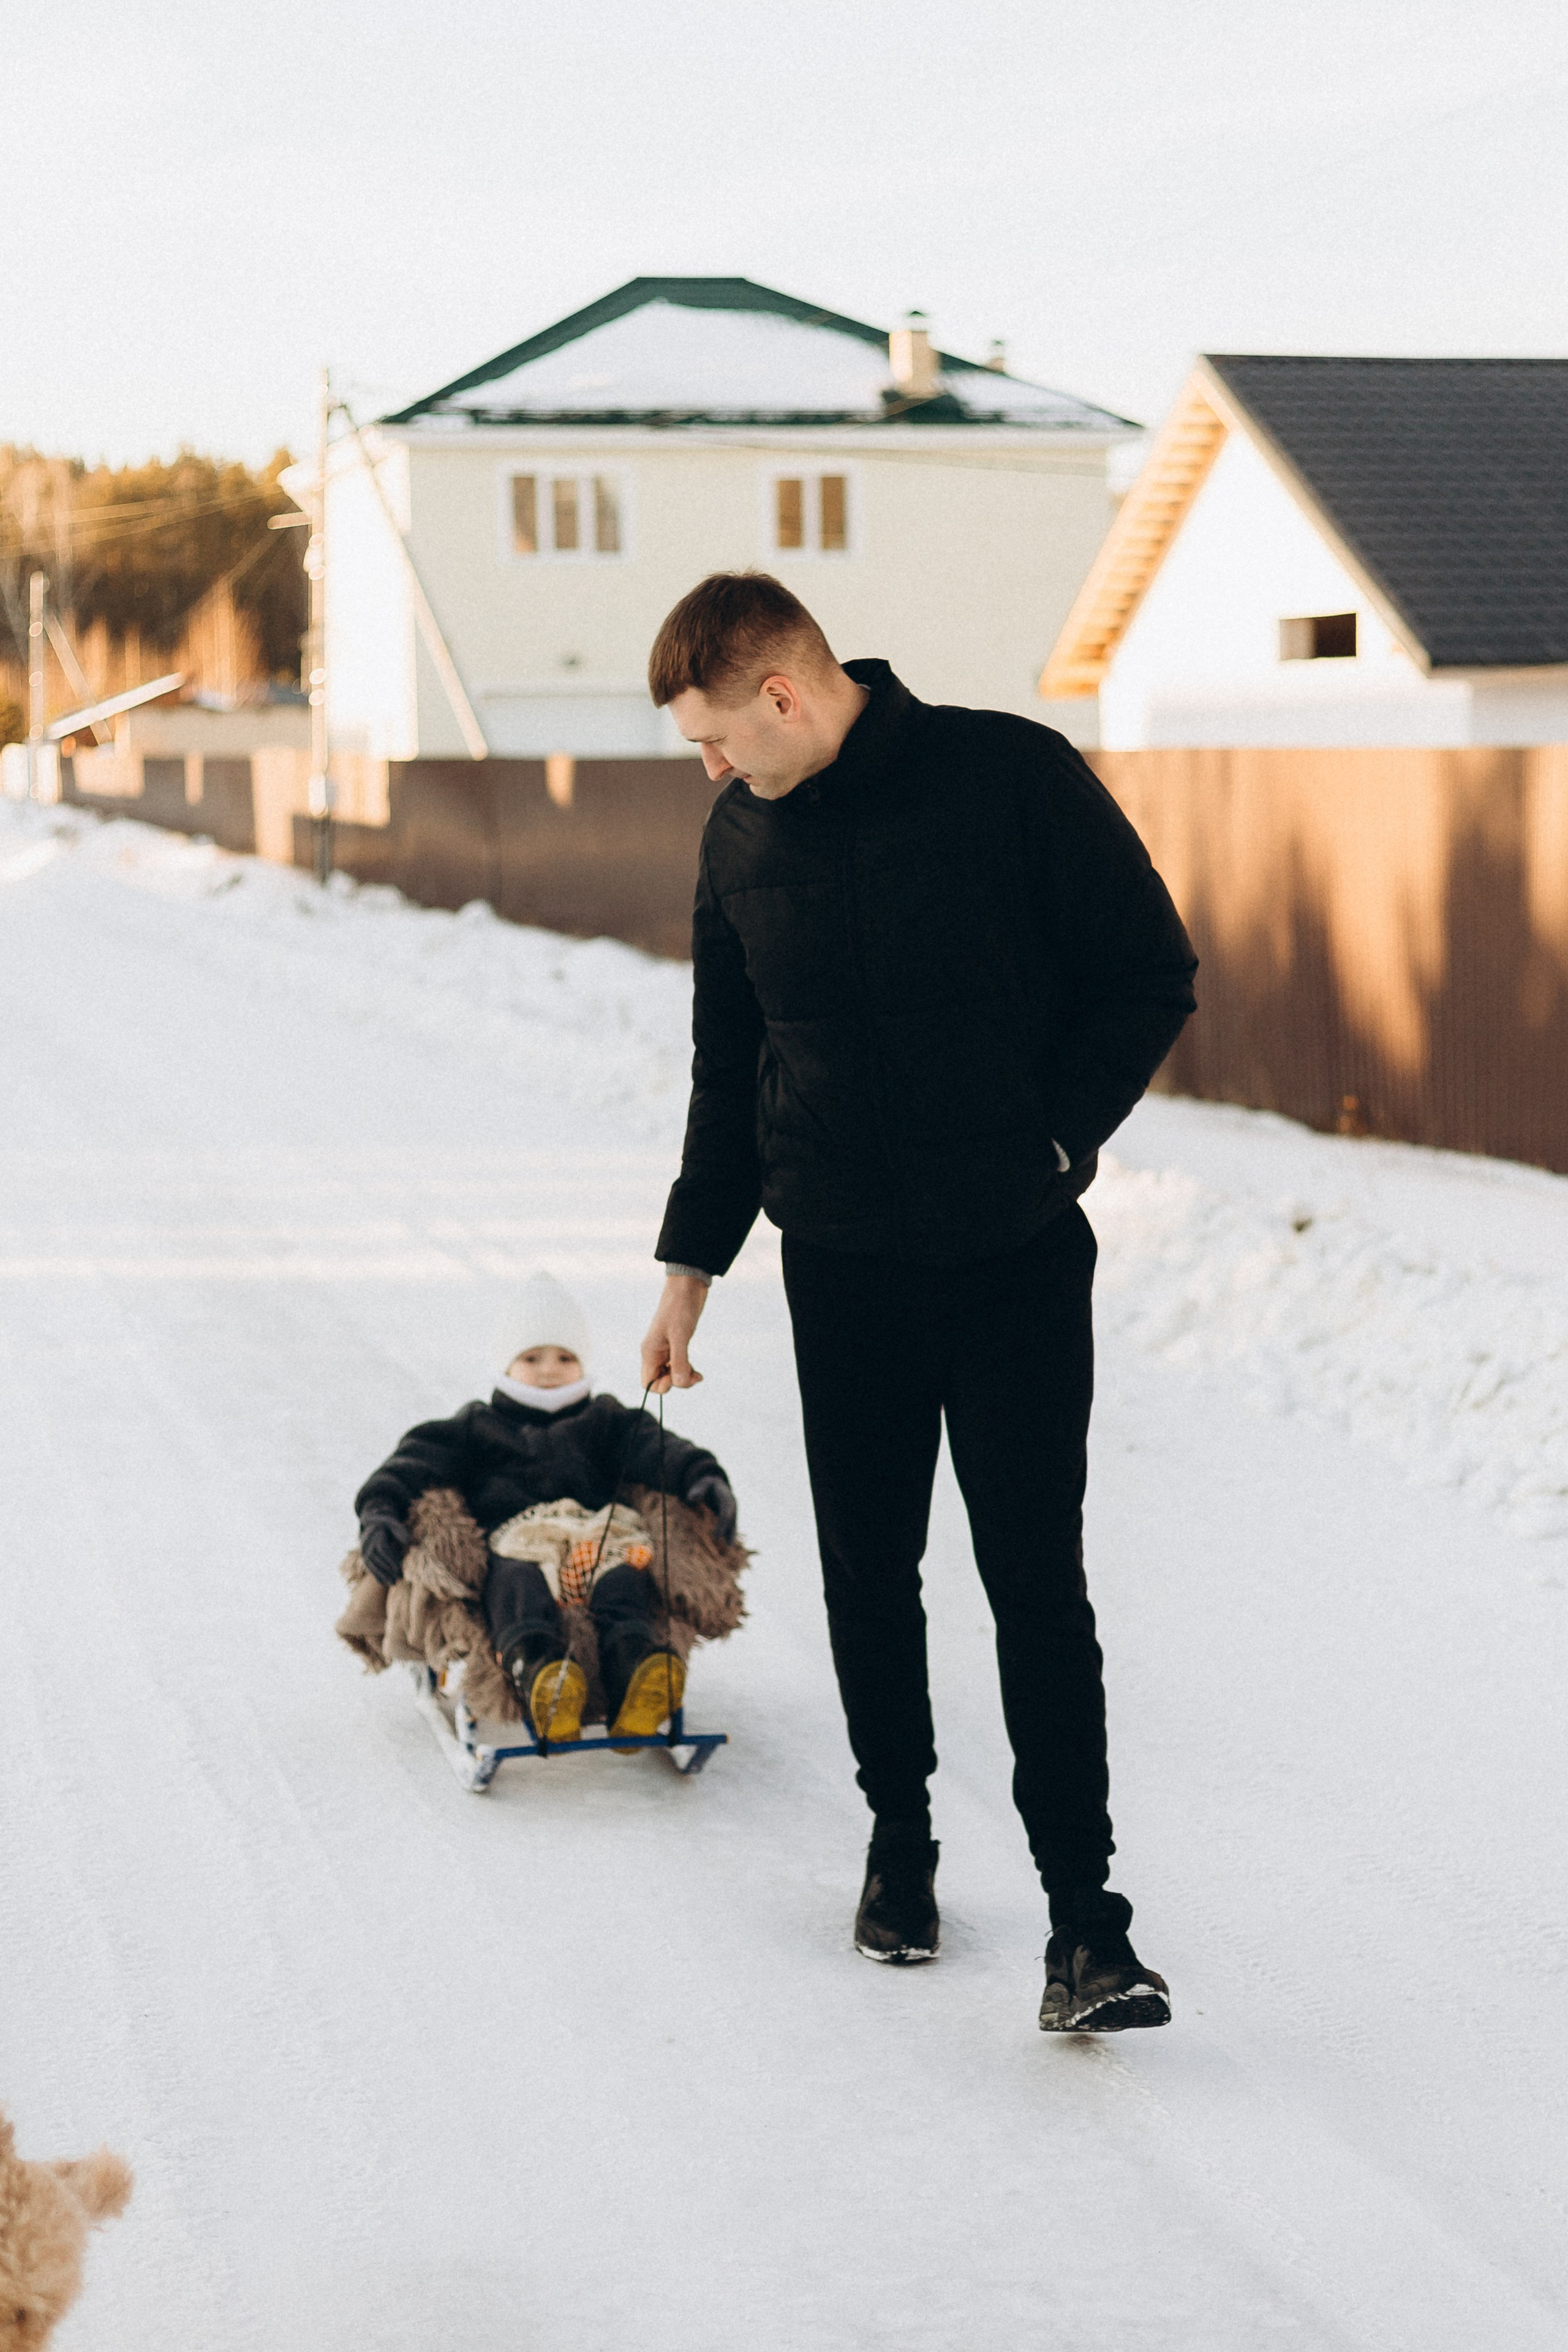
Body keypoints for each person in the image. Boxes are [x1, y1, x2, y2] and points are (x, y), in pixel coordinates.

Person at [639, 573, 1197, 2034]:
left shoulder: (1004, 776)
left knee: (1033, 1583)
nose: (705, 770)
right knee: (867, 1573)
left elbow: (1147, 972)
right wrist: (690, 1264)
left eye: (712, 737)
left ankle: (1087, 1926)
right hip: (842, 1261)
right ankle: (900, 1840)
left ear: (780, 693)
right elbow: (725, 1066)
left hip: (1011, 1253)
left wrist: (1054, 1139)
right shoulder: (737, 836)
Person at [356, 1272, 737, 1743]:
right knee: (516, 1583)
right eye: (532, 1357)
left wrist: (703, 1477)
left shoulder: (606, 1420)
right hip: (519, 1543)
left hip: (597, 1538)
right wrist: (379, 1511)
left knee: (624, 1579)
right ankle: (541, 1673)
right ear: (506, 1362)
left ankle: (636, 1668)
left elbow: (661, 1450)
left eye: (565, 1356)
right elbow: (410, 1465)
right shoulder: (478, 1426)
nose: (550, 1368)